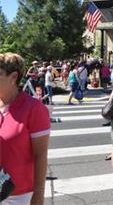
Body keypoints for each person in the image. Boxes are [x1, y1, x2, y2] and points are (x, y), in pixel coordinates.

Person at [0, 53, 50, 204]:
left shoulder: (34, 109)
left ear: (13, 77)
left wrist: (38, 195)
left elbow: (40, 155)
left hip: (18, 196)